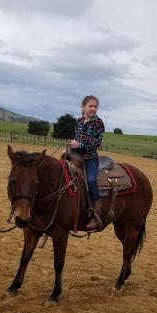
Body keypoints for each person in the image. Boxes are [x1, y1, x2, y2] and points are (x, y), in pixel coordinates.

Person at [68, 95, 105, 230]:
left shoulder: (98, 123)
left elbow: (96, 143)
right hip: (75, 155)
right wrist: (72, 144)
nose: (93, 109)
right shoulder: (79, 121)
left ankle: (96, 211)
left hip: (90, 158)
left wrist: (79, 145)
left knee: (90, 180)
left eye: (95, 106)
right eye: (91, 106)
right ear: (83, 107)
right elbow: (77, 138)